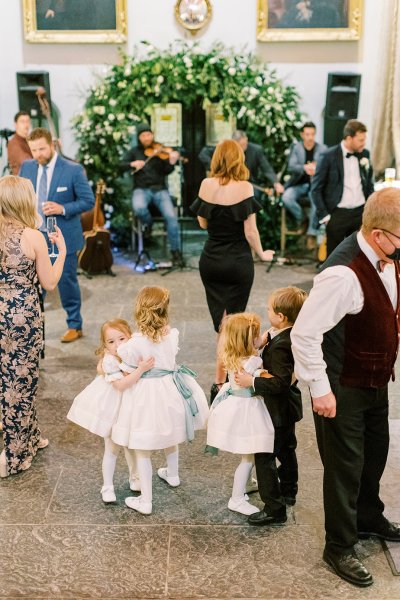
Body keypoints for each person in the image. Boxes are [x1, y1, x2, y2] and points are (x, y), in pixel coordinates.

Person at [291, 188, 400, 588]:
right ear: (378, 235)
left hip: (373, 379)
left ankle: (368, 517)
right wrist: (320, 390)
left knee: (375, 456)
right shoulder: (342, 275)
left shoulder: (384, 256)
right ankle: (338, 546)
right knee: (345, 469)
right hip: (342, 387)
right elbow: (303, 335)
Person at [112, 286, 209, 515]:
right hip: (169, 390)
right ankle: (172, 474)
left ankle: (145, 501)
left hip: (145, 395)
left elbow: (126, 361)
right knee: (170, 434)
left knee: (143, 448)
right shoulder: (172, 335)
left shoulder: (133, 344)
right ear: (164, 312)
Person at [190, 139, 275, 402]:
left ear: (216, 159)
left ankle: (219, 383)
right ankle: (224, 382)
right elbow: (251, 231)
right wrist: (262, 254)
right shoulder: (246, 187)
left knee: (222, 324)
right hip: (238, 262)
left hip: (212, 261)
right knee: (232, 325)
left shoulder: (206, 184)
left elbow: (203, 222)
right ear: (240, 159)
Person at [0, 175, 66, 477]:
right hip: (22, 318)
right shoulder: (33, 236)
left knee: (8, 378)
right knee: (21, 383)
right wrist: (61, 252)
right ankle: (15, 456)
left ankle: (33, 435)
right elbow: (49, 283)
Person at [235, 286, 307, 526]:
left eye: (269, 309)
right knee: (287, 450)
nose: (266, 312)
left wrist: (251, 380)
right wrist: (267, 338)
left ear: (281, 316)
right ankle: (289, 491)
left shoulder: (280, 347)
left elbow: (280, 383)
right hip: (287, 410)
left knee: (264, 456)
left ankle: (274, 508)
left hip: (276, 411)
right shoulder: (288, 333)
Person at [20, 127, 95, 343]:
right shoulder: (26, 167)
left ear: (52, 145)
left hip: (62, 237)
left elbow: (88, 201)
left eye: (42, 148)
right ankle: (33, 326)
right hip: (33, 237)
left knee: (66, 281)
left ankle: (74, 324)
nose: (38, 154)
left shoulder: (73, 169)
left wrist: (62, 208)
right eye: (33, 150)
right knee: (33, 285)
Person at [67, 318, 154, 503]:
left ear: (130, 337)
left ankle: (135, 478)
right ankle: (107, 486)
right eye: (111, 342)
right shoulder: (109, 361)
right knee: (112, 449)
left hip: (130, 408)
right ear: (105, 345)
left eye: (122, 339)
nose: (117, 345)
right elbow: (121, 386)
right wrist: (141, 370)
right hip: (113, 411)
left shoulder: (132, 353)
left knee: (131, 446)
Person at [206, 313, 275, 516]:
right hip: (248, 410)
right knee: (248, 456)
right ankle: (236, 498)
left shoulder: (232, 355)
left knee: (250, 453)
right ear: (248, 340)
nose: (259, 339)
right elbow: (262, 372)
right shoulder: (252, 361)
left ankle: (248, 483)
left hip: (235, 404)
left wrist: (263, 337)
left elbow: (256, 344)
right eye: (256, 336)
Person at [120, 123, 183, 265]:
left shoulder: (159, 151)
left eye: (149, 134)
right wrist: (132, 164)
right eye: (143, 135)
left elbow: (167, 170)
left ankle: (176, 252)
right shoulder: (134, 152)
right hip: (141, 189)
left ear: (152, 135)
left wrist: (172, 161)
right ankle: (148, 224)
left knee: (172, 218)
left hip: (160, 189)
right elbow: (120, 165)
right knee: (139, 207)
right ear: (139, 137)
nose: (147, 137)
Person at [311, 119, 375, 257]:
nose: (364, 143)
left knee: (359, 256)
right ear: (349, 138)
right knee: (334, 257)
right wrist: (325, 216)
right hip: (337, 215)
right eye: (360, 140)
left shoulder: (365, 154)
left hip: (360, 213)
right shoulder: (328, 156)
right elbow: (316, 188)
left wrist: (369, 209)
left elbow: (369, 183)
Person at [198, 130, 284, 199]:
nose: (244, 148)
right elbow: (203, 154)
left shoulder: (256, 150)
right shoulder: (227, 149)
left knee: (250, 197)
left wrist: (276, 183)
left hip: (250, 184)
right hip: (229, 183)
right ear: (234, 143)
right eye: (241, 145)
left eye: (245, 144)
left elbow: (266, 168)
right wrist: (217, 168)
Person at [282, 122, 326, 249]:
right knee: (286, 197)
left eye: (312, 134)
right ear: (302, 135)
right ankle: (302, 219)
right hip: (299, 184)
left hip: (315, 185)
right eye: (307, 134)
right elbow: (291, 167)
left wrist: (316, 169)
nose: (310, 137)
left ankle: (311, 233)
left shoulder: (322, 149)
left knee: (315, 199)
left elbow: (326, 167)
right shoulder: (296, 148)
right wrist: (304, 168)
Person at [7, 111, 32, 176]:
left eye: (28, 121)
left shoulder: (29, 140)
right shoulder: (13, 143)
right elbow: (28, 162)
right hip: (21, 183)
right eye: (22, 122)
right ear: (15, 125)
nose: (26, 125)